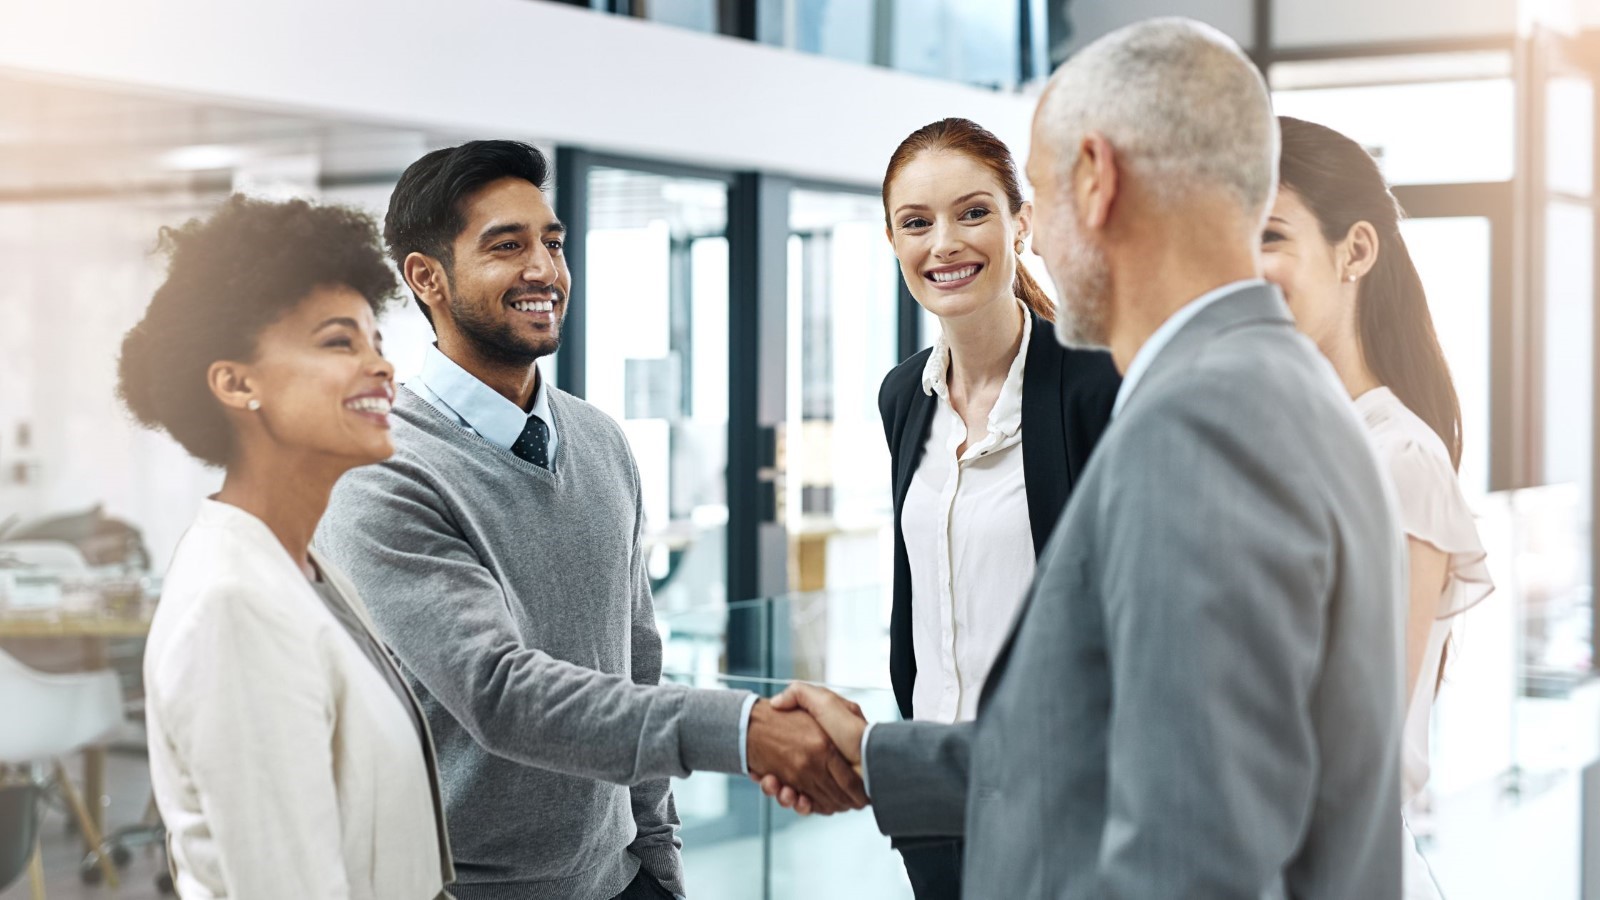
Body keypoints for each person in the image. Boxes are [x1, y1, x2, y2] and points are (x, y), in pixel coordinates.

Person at [764, 19, 1407, 897]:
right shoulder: (1273, 381)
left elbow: (1188, 857)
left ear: (1095, 180)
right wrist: (880, 756)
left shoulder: (1200, 425)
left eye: (1037, 190)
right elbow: (1102, 736)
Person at [313, 140, 864, 900]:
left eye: (554, 242)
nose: (545, 269)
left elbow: (635, 662)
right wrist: (745, 730)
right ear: (426, 278)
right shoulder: (378, 472)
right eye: (507, 246)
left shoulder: (600, 439)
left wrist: (660, 867)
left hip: (620, 880)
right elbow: (499, 691)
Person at [119, 195, 453, 899]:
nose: (382, 368)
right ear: (236, 383)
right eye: (340, 342)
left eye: (377, 342)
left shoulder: (302, 564)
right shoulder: (235, 604)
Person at [875, 117, 1119, 899]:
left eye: (972, 212)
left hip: (1063, 800)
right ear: (893, 240)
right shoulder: (902, 395)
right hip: (934, 793)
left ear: (1021, 223)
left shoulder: (1094, 385)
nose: (944, 243)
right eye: (917, 223)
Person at [1263, 115, 1494, 899]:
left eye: (1268, 236)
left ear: (1355, 251)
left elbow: (1358, 744)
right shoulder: (1270, 441)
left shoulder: (1399, 457)